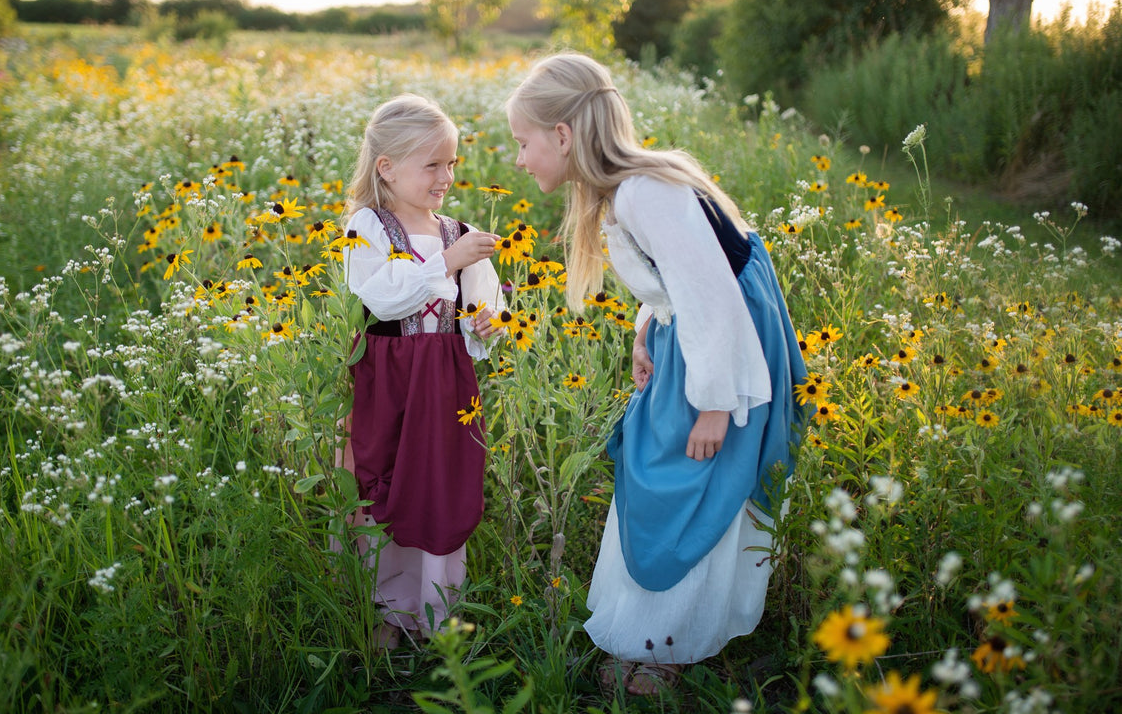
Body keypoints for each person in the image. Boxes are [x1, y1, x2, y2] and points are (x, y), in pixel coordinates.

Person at [506, 53, 808, 695]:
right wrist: (647, 330)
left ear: (562, 135)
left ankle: (665, 642)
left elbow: (713, 297)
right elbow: (677, 283)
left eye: (522, 143)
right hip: (698, 341)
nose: (519, 158)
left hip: (727, 355)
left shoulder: (645, 192)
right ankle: (653, 630)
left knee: (687, 480)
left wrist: (717, 406)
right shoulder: (627, 189)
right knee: (659, 473)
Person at [339, 93, 504, 649]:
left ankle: (434, 610)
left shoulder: (458, 233)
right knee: (383, 484)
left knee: (439, 484)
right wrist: (445, 264)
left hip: (445, 381)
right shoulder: (369, 226)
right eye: (432, 164)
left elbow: (483, 305)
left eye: (452, 162)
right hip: (386, 380)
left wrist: (484, 326)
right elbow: (383, 300)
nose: (446, 176)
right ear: (386, 167)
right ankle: (385, 608)